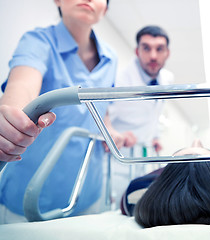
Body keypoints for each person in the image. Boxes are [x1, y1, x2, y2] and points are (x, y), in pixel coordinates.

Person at [0, 0, 134, 224]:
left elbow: (102, 109)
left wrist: (110, 131)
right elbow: (22, 85)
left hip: (87, 193)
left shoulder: (111, 58)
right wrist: (11, 118)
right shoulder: (38, 41)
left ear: (106, 9)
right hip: (28, 199)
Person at [105, 25, 174, 208]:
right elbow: (99, 118)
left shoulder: (167, 79)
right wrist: (111, 134)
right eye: (146, 48)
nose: (153, 56)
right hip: (117, 162)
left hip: (143, 157)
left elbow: (156, 111)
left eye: (159, 49)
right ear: (137, 51)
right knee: (119, 211)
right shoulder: (118, 81)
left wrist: (155, 135)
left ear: (167, 53)